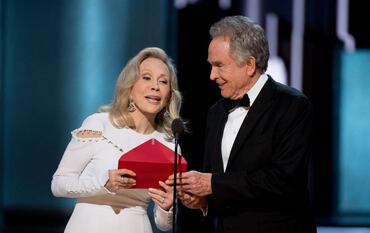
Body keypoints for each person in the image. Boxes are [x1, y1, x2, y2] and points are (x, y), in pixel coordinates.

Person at [168, 16, 316, 233]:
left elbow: (283, 180)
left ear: (249, 65)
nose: (212, 75)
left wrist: (212, 184)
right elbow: (215, 179)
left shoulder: (292, 105)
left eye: (219, 66)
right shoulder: (216, 112)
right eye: (211, 66)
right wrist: (202, 201)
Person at [51, 47, 182, 233]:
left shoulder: (168, 144)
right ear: (129, 87)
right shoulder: (99, 124)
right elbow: (59, 184)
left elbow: (164, 224)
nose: (155, 86)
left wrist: (166, 207)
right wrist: (104, 182)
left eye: (163, 81)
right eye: (146, 77)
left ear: (169, 94)